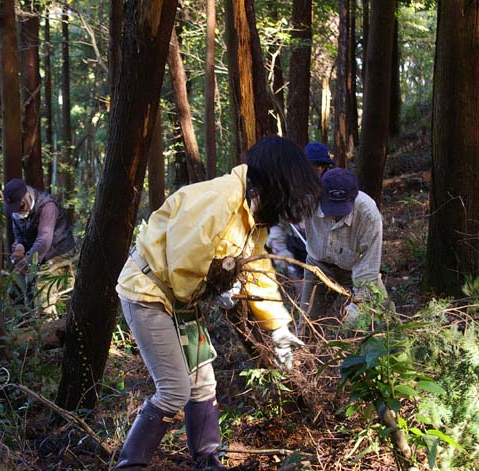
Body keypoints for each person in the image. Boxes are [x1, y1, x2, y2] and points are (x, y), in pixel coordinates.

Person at [115, 136, 323, 470]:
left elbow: (258, 271)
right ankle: (129, 465)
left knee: (202, 385)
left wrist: (279, 327)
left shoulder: (252, 215)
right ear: (276, 181)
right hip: (148, 292)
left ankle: (207, 460)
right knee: (173, 391)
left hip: (181, 300)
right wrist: (219, 284)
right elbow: (184, 259)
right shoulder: (219, 198)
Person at [301, 168, 388, 330]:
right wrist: (278, 243)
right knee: (307, 323)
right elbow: (283, 215)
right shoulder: (308, 200)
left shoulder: (368, 214)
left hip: (355, 268)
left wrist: (358, 305)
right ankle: (304, 352)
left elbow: (368, 268)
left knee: (382, 317)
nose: (335, 215)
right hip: (318, 266)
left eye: (341, 208)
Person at [3, 178, 76, 312]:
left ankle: (46, 324)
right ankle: (22, 325)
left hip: (58, 254)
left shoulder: (47, 206)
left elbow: (44, 240)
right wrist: (19, 246)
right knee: (14, 285)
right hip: (35, 256)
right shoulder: (16, 213)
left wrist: (25, 263)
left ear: (27, 198)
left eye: (19, 207)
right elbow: (19, 235)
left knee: (42, 286)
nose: (17, 211)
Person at [267, 142, 334, 280]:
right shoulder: (291, 189)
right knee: (303, 287)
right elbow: (279, 223)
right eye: (315, 165)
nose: (319, 169)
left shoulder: (332, 186)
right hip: (297, 243)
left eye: (322, 165)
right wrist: (280, 249)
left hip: (324, 245)